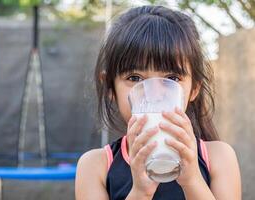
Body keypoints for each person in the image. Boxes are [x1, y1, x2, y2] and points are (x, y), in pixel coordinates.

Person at [75, 5, 241, 200]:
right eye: (135, 78)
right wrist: (140, 192)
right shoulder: (96, 166)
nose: (153, 93)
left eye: (171, 78)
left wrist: (192, 180)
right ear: (110, 87)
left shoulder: (218, 157)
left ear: (194, 89)